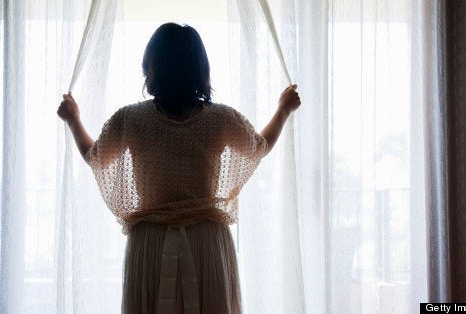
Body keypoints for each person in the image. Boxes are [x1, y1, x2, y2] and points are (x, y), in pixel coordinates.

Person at [57, 22, 300, 314]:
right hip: (206, 242)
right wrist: (283, 110)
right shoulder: (221, 119)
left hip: (150, 244)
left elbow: (96, 157)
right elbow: (260, 146)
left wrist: (73, 120)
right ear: (200, 68)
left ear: (151, 67)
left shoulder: (131, 119)